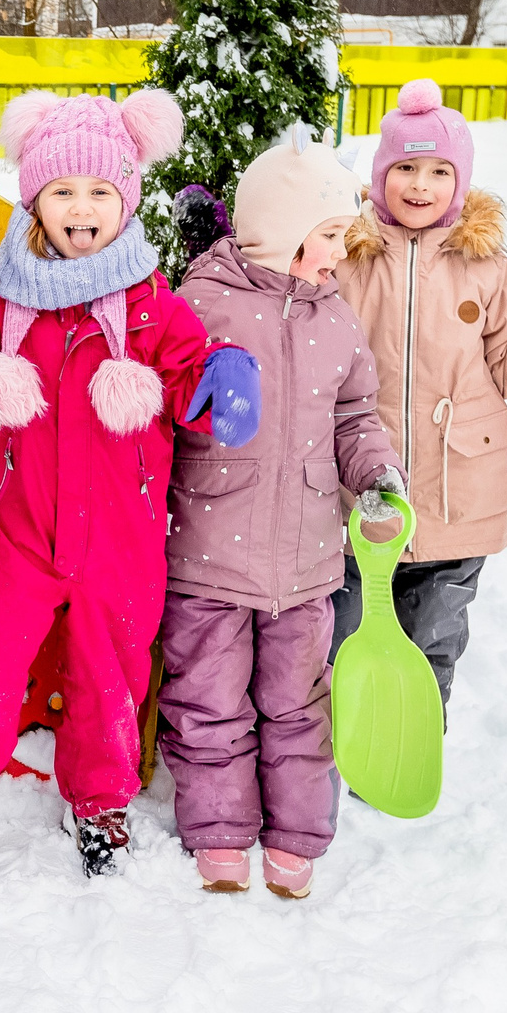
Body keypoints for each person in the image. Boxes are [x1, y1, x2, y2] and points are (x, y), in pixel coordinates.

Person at [0, 90, 261, 904]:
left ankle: (100, 804)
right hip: (17, 533)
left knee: (111, 678)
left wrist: (221, 378)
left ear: (124, 200)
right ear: (35, 199)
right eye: (62, 191)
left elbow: (191, 372)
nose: (81, 208)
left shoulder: (148, 299)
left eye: (99, 192)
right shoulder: (1, 287)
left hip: (120, 538)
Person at [157, 131, 404, 902]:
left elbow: (357, 412)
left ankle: (296, 835)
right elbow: (170, 400)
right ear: (286, 229)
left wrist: (374, 473)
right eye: (329, 235)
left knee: (299, 705)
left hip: (304, 563)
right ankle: (221, 830)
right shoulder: (200, 301)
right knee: (207, 702)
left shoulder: (334, 317)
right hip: (209, 553)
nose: (337, 253)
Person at [331, 79, 507, 706]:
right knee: (345, 631)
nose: (419, 185)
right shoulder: (345, 256)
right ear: (381, 172)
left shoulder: (485, 264)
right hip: (358, 489)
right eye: (405, 167)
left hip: (458, 491)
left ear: (459, 184)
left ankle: (415, 740)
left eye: (439, 171)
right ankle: (348, 734)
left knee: (433, 633)